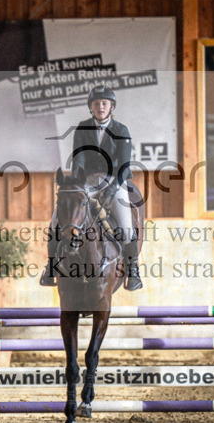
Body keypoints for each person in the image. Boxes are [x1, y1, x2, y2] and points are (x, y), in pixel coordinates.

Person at [40, 87, 143, 291]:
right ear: (91, 108)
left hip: (115, 180)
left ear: (111, 107)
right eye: (96, 104)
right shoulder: (82, 128)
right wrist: (75, 180)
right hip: (87, 181)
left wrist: (114, 187)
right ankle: (51, 267)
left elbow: (124, 164)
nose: (100, 107)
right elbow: (78, 158)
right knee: (56, 221)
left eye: (104, 103)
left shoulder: (121, 130)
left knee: (126, 226)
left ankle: (133, 271)